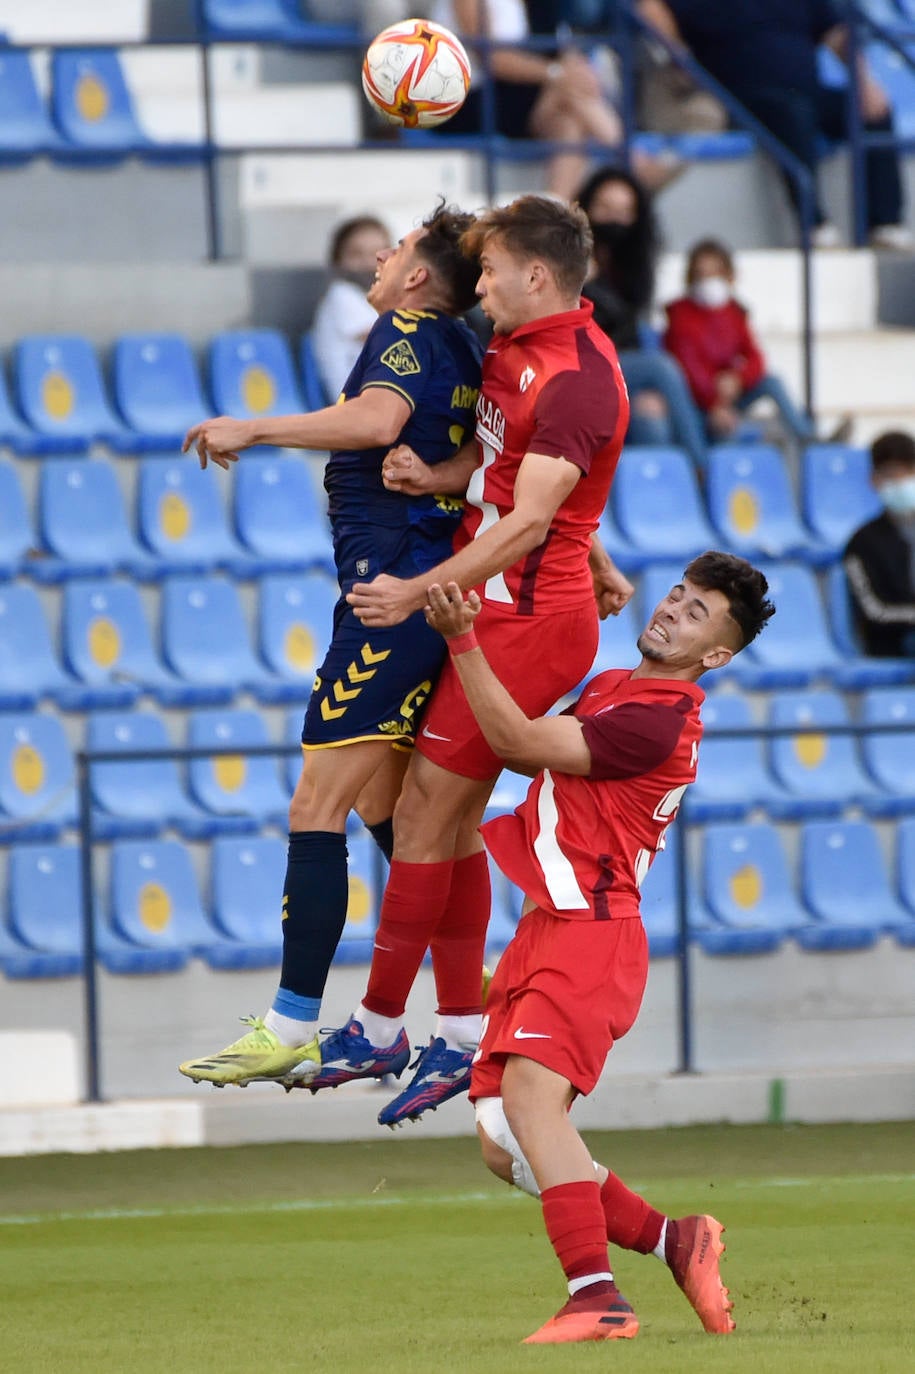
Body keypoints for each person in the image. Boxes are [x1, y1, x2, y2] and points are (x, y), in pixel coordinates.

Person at [298, 194, 635, 1127]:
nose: (477, 287)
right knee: (434, 823)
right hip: (487, 605)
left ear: (536, 275)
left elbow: (532, 519)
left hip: (524, 620)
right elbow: (512, 478)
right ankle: (451, 1031)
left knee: (419, 818)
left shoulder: (575, 375)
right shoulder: (514, 348)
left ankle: (380, 1024)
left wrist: (414, 590)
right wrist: (443, 480)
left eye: (490, 273)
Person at [423, 551, 775, 1344]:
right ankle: (673, 1239)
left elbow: (513, 741)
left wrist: (461, 638)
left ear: (716, 655)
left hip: (591, 934)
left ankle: (597, 1298)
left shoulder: (656, 719)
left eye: (695, 614)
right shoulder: (620, 686)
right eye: (677, 596)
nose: (672, 611)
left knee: (531, 1106)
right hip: (547, 927)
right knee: (504, 1145)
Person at [177, 204, 485, 1089]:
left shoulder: (407, 326)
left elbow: (377, 420)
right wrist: (438, 476)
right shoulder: (464, 346)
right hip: (416, 592)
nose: (383, 260)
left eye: (395, 250)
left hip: (390, 601)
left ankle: (290, 1022)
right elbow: (484, 452)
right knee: (398, 813)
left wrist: (255, 427)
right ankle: (471, 984)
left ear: (420, 276)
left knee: (316, 807)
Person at [638, 0, 913, 250]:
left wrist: (865, 81)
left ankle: (884, 223)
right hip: (741, 97)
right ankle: (814, 224)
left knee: (873, 110)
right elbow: (652, 8)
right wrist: (677, 50)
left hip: (807, 91)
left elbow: (837, 33)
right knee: (791, 112)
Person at [432, 1, 678, 201]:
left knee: (569, 122)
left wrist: (571, 69)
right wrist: (556, 73)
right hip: (465, 99)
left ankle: (556, 210)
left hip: (510, 95)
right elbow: (489, 57)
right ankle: (634, 159)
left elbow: (552, 45)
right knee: (565, 91)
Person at [577, 164, 709, 467]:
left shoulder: (632, 268)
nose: (614, 220)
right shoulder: (566, 259)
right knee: (661, 368)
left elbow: (628, 332)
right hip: (578, 365)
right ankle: (702, 470)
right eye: (605, 208)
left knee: (652, 415)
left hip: (619, 370)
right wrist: (582, 280)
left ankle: (664, 506)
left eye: (624, 212)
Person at [663, 237, 817, 446]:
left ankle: (810, 440)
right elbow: (688, 371)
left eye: (715, 273)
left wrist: (737, 379)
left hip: (729, 395)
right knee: (730, 432)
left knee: (772, 382)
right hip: (697, 404)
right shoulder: (680, 316)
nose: (709, 280)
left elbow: (755, 358)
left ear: (729, 276)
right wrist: (715, 403)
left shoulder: (734, 313)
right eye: (702, 274)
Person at [844, 429, 915, 658]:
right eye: (893, 476)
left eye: (909, 474)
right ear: (875, 480)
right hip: (894, 644)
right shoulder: (862, 542)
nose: (902, 483)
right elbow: (872, 611)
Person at [311, 215, 391, 402]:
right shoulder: (342, 295)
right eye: (356, 254)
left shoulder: (372, 298)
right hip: (354, 403)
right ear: (338, 259)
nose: (368, 263)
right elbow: (385, 339)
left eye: (376, 254)